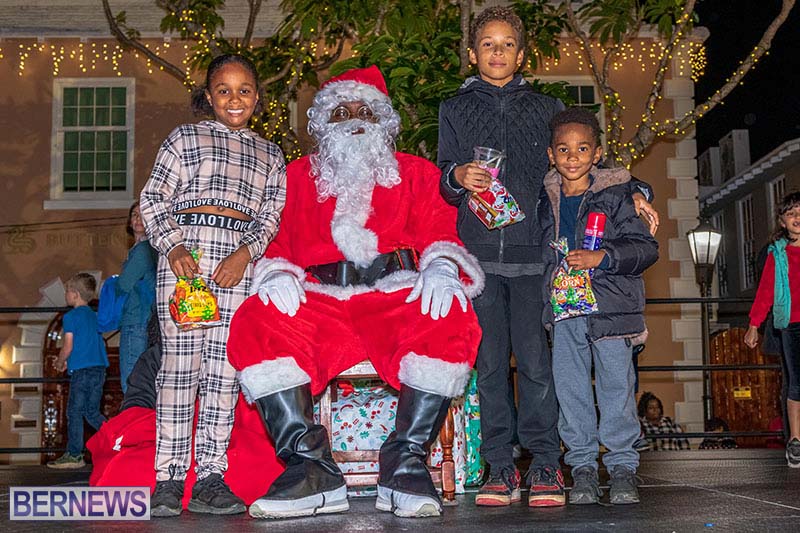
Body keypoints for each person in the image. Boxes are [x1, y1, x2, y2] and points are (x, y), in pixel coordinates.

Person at [226, 65, 484, 519]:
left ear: (383, 120)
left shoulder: (416, 172)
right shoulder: (295, 176)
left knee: (450, 315)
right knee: (257, 319)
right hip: (318, 299)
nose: (354, 120)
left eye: (365, 110)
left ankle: (404, 464)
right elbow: (276, 239)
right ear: (323, 124)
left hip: (395, 294)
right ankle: (310, 469)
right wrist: (277, 272)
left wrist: (442, 267)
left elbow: (440, 231)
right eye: (341, 112)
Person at [437, 6, 659, 508]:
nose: (497, 53)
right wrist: (457, 177)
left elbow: (585, 165)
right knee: (490, 366)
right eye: (488, 44)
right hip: (479, 260)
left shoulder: (547, 107)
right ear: (472, 53)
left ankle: (543, 463)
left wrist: (639, 190)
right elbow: (444, 176)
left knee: (539, 365)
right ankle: (498, 465)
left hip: (537, 258)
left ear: (521, 54)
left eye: (507, 44)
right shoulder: (453, 108)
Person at [139, 54, 287, 517]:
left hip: (235, 269)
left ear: (258, 98)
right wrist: (173, 247)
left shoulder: (271, 154)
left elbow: (270, 216)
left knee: (224, 372)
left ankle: (210, 476)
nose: (234, 99)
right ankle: (168, 477)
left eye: (244, 90)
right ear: (208, 96)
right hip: (187, 264)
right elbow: (153, 198)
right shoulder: (184, 138)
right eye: (223, 90)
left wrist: (245, 255)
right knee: (180, 370)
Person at [539, 107, 659, 505]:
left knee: (616, 389)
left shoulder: (618, 196)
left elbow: (645, 248)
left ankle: (622, 468)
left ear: (597, 153)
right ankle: (583, 469)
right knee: (570, 391)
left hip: (612, 311)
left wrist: (602, 257)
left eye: (582, 148)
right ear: (551, 154)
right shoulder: (544, 197)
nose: (572, 157)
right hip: (565, 312)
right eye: (563, 149)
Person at [744, 191, 800, 468]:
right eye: (791, 214)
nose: (797, 218)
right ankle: (796, 441)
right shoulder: (778, 254)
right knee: (796, 382)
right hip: (791, 325)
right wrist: (754, 325)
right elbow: (766, 291)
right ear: (782, 221)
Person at [47, 273, 109, 469]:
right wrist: (70, 361)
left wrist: (60, 362)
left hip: (82, 372)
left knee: (74, 412)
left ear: (74, 294)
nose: (65, 294)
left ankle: (74, 455)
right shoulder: (94, 315)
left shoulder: (71, 316)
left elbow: (68, 346)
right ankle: (117, 438)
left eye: (67, 291)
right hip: (99, 369)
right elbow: (89, 344)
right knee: (91, 412)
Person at [117, 201, 157, 393]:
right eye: (134, 215)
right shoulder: (150, 249)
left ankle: (133, 411)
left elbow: (124, 284)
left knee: (131, 380)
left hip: (137, 319)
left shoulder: (142, 250)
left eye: (143, 214)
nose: (138, 219)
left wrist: (114, 284)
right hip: (147, 319)